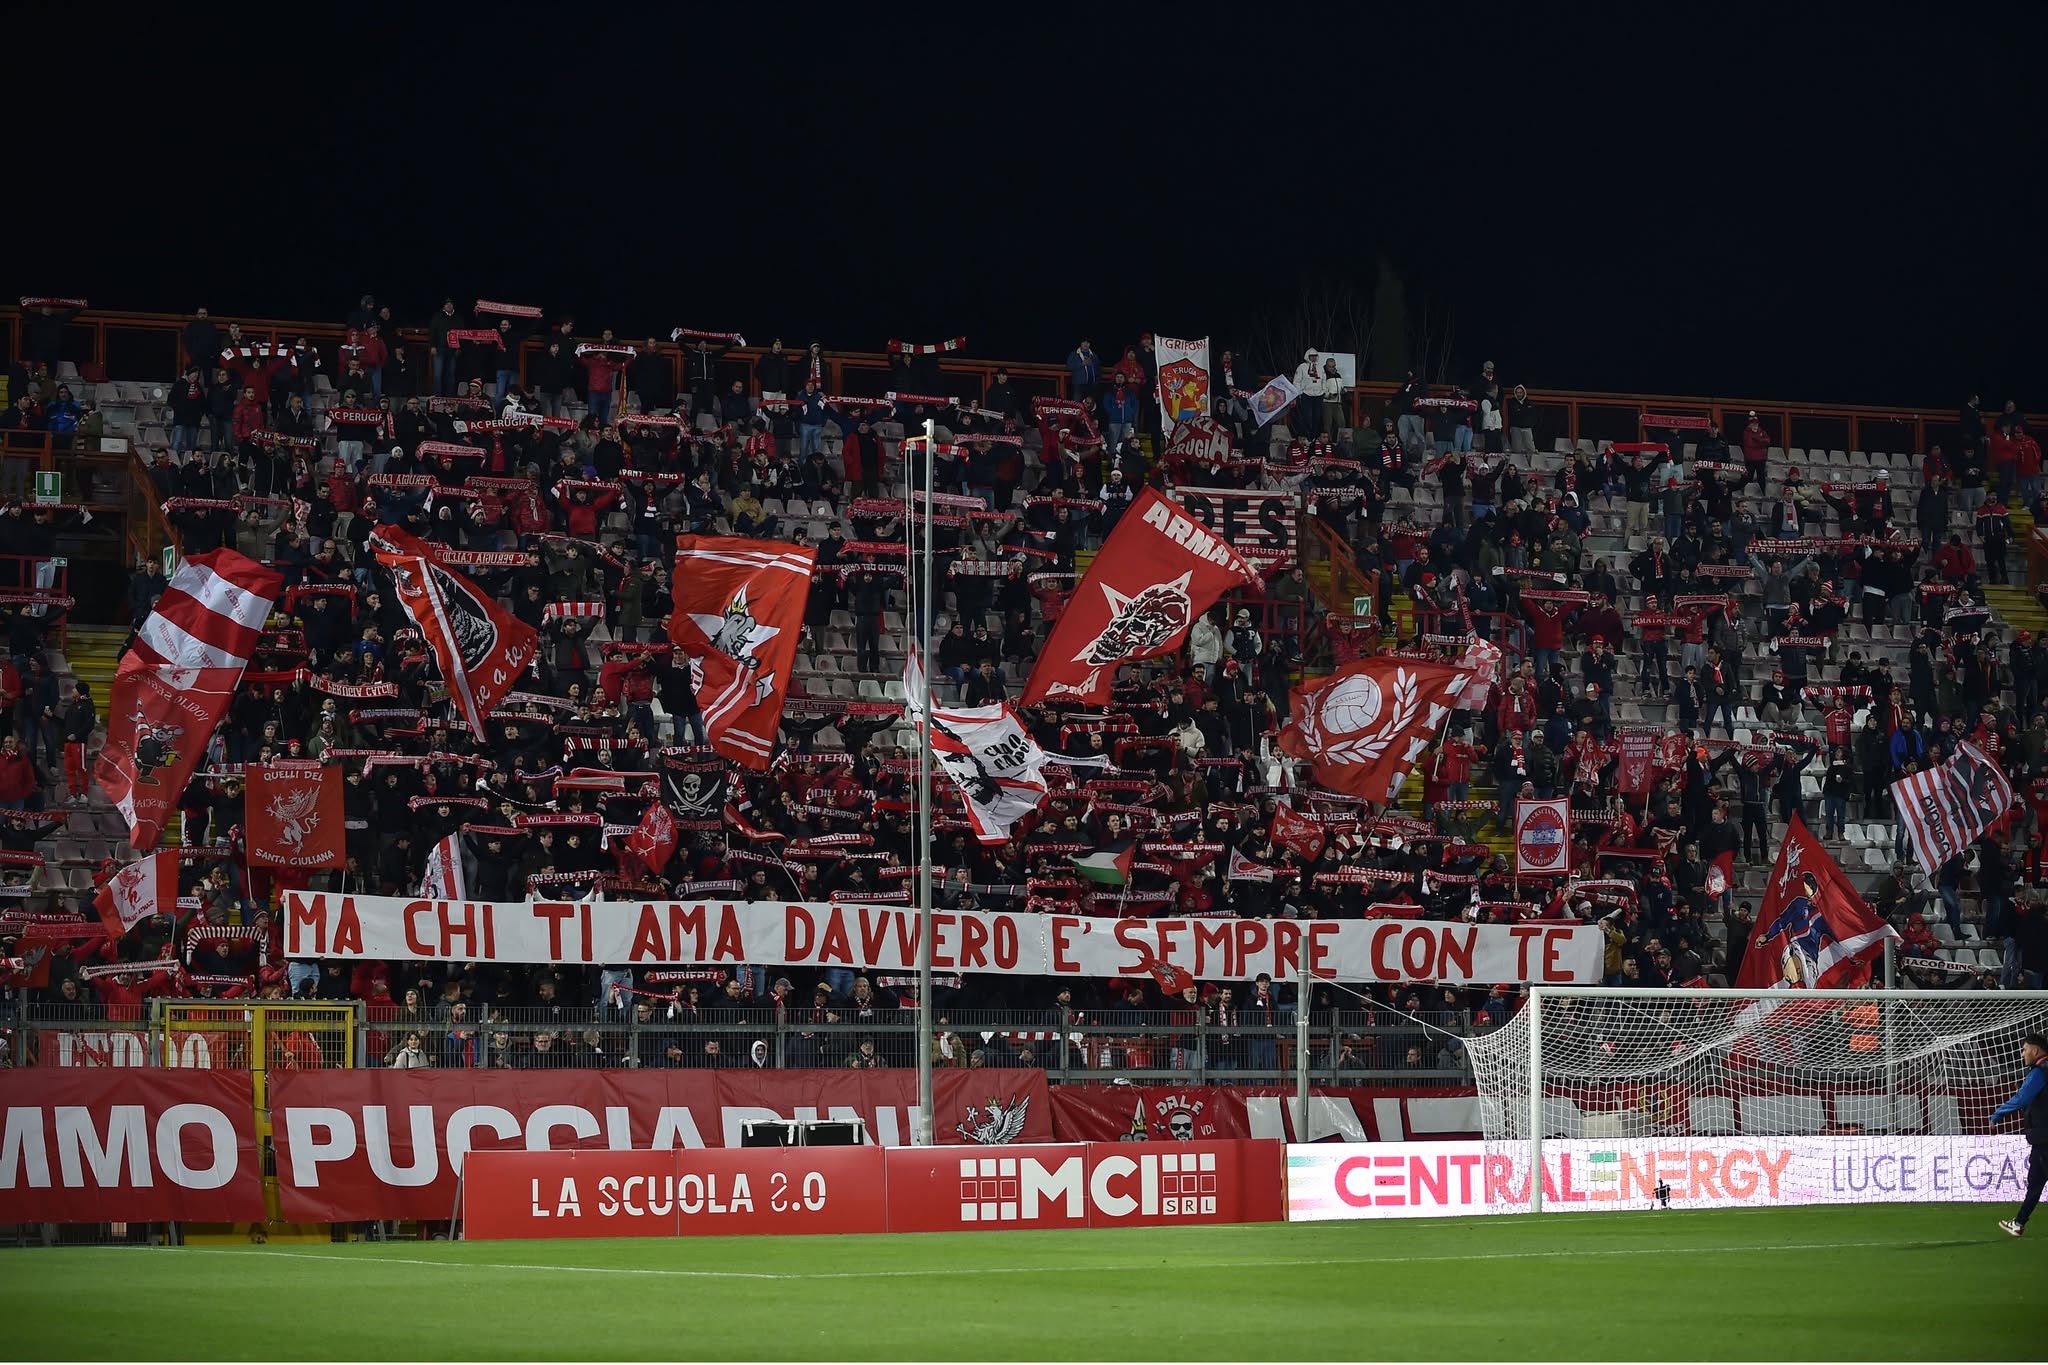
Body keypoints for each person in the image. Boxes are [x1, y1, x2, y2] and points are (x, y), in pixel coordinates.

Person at [1994, 1032, 2048, 1237]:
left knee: (2036, 1182)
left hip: (2045, 1138)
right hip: (2041, 1140)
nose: (2022, 1054)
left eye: (2024, 1049)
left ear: (2035, 1050)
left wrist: (1998, 1114)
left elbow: (2022, 1098)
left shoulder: (2040, 1071)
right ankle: (2018, 1223)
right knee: (2035, 1182)